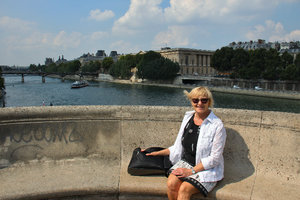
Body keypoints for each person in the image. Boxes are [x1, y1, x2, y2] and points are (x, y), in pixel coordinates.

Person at [145, 86, 226, 200]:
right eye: (195, 100)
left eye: (204, 100)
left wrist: (191, 171)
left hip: (206, 169)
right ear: (191, 101)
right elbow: (178, 146)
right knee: (171, 183)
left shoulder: (217, 125)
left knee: (184, 189)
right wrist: (157, 152)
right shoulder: (188, 118)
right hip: (186, 162)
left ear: (209, 102)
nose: (199, 103)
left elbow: (215, 158)